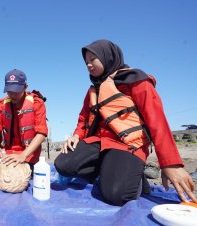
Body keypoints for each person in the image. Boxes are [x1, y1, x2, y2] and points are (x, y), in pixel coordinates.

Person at [54, 39, 197, 206]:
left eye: (93, 59)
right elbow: (83, 118)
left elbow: (157, 121)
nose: (88, 65)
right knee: (63, 164)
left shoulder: (135, 80)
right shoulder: (93, 89)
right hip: (99, 142)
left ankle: (132, 174)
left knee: (115, 194)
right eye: (86, 62)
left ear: (107, 57)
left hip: (128, 145)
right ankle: (111, 169)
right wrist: (76, 136)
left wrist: (170, 164)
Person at [0, 69, 48, 169]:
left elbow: (41, 133)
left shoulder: (37, 103)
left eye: (16, 91)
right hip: (6, 154)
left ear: (25, 87)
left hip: (28, 156)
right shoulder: (0, 104)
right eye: (9, 91)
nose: (12, 95)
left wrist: (23, 155)